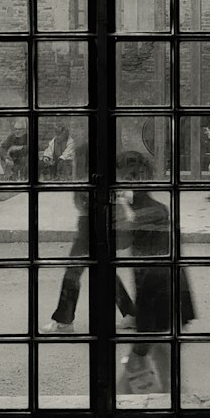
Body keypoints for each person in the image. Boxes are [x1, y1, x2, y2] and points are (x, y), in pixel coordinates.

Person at [115, 148, 196, 395]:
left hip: (158, 288)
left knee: (145, 351)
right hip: (161, 286)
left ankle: (122, 401)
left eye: (127, 179)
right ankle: (171, 393)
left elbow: (121, 242)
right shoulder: (153, 207)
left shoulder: (150, 211)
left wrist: (122, 210)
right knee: (162, 350)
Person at [45, 139, 136, 335]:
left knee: (73, 271)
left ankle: (64, 320)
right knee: (105, 268)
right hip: (108, 221)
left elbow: (83, 204)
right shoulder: (105, 172)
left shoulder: (86, 177)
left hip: (89, 223)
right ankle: (131, 313)